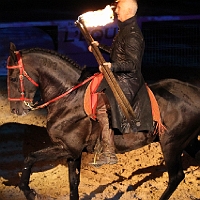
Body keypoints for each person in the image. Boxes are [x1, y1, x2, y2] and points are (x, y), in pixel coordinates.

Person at [89, 0, 153, 166]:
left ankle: (109, 153)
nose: (116, 11)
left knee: (102, 106)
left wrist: (112, 66)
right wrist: (100, 47)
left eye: (118, 8)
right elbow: (119, 53)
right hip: (120, 75)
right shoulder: (125, 29)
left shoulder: (132, 35)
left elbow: (132, 64)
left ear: (128, 11)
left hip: (128, 80)